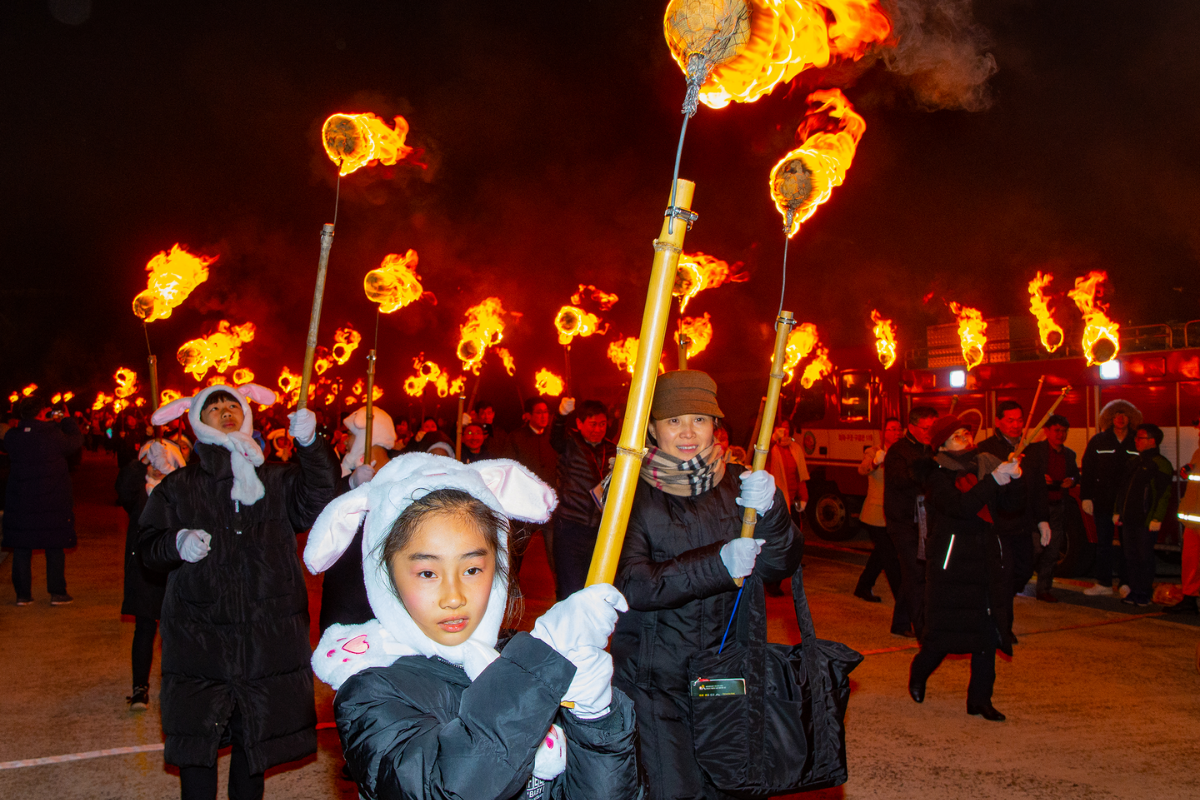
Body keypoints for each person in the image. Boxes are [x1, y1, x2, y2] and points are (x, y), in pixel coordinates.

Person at [304, 453, 640, 800]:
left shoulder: (515, 657)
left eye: (472, 570)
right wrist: (539, 666)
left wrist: (596, 720)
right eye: (428, 573)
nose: (454, 596)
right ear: (386, 576)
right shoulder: (370, 692)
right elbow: (440, 788)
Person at [139, 384, 337, 800]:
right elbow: (147, 548)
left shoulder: (275, 478)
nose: (225, 410)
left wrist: (310, 444)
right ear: (196, 420)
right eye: (214, 406)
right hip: (199, 633)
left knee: (255, 737)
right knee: (197, 739)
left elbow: (319, 496)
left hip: (266, 633)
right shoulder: (178, 485)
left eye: (233, 403)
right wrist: (176, 541)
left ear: (246, 414)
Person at [610, 370, 802, 800]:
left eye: (699, 419)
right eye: (674, 421)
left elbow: (780, 565)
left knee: (728, 788)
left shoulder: (738, 485)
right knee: (673, 790)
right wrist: (717, 564)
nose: (687, 432)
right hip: (654, 680)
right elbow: (633, 585)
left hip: (727, 675)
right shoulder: (629, 493)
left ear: (716, 425)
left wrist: (772, 511)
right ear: (653, 429)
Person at [909, 415, 1022, 722]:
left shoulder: (986, 464)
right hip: (951, 564)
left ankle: (980, 700)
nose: (966, 440)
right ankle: (919, 672)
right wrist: (994, 481)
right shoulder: (937, 474)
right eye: (958, 436)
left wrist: (1012, 479)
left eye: (968, 435)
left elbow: (1007, 508)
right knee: (942, 636)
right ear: (942, 445)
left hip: (984, 559)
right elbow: (962, 507)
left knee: (986, 636)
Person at [116, 438, 186, 709]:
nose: (158, 466)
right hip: (145, 573)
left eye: (164, 459)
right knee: (145, 628)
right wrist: (142, 460)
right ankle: (139, 687)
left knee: (177, 632)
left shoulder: (181, 490)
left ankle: (177, 685)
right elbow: (122, 488)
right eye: (153, 460)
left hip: (175, 571)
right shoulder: (138, 492)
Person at [2, 392, 84, 606]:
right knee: (54, 546)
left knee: (21, 547)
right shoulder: (53, 435)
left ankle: (23, 595)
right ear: (42, 412)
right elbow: (76, 441)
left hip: (20, 501)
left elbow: (19, 435)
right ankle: (57, 592)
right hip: (52, 500)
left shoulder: (12, 436)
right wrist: (65, 419)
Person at [319, 406, 394, 636]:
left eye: (351, 435)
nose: (346, 441)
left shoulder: (399, 475)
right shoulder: (342, 474)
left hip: (383, 594)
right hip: (344, 593)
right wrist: (348, 485)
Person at [977, 401, 1051, 609]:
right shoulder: (986, 449)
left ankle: (998, 603)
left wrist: (1043, 519)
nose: (1016, 425)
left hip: (1023, 524)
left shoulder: (1031, 450)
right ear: (998, 422)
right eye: (1010, 420)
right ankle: (1000, 620)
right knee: (1003, 572)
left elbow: (1038, 488)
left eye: (1019, 420)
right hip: (999, 524)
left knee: (1024, 569)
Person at [550, 397, 616, 600]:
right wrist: (561, 415)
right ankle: (566, 627)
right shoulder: (570, 443)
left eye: (602, 424)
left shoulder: (612, 449)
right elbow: (555, 438)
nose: (598, 429)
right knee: (570, 586)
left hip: (600, 529)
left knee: (595, 584)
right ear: (579, 424)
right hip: (571, 526)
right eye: (593, 424)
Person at [883, 406, 937, 638]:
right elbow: (899, 480)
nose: (929, 432)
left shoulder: (932, 448)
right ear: (912, 427)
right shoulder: (898, 451)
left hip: (925, 520)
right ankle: (922, 627)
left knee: (915, 571)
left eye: (932, 428)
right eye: (926, 428)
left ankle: (901, 622)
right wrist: (923, 469)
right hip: (903, 520)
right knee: (916, 572)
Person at [1081, 400, 1142, 597]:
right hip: (1103, 501)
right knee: (1103, 544)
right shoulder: (1098, 441)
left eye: (1124, 414)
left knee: (1129, 545)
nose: (1120, 418)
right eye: (1116, 414)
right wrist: (1086, 497)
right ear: (1109, 418)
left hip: (1128, 503)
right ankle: (1103, 584)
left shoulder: (1137, 441)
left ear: (1130, 418)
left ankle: (1127, 583)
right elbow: (1088, 469)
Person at [1112, 423, 1173, 607]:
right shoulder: (1134, 462)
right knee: (1130, 556)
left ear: (1152, 441)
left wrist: (1157, 518)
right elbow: (1122, 490)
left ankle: (1143, 593)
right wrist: (1117, 511)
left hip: (1146, 521)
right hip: (1129, 520)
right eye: (1136, 437)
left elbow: (1164, 494)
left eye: (1141, 438)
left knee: (1144, 557)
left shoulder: (1160, 464)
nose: (1136, 441)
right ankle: (1133, 591)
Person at [1022, 415, 1080, 602]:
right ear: (1047, 431)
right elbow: (1022, 473)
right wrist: (1040, 479)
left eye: (1064, 431)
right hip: (1038, 507)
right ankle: (1019, 581)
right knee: (1035, 548)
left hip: (1058, 506)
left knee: (1053, 549)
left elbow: (1075, 475)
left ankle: (1044, 589)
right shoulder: (1035, 451)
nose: (1061, 435)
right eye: (1057, 430)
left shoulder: (1069, 454)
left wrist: (1071, 481)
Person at [507, 397, 559, 577]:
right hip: (525, 507)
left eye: (546, 412)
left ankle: (561, 592)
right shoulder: (516, 437)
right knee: (517, 552)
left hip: (549, 506)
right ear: (528, 415)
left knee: (556, 553)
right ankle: (510, 589)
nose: (544, 416)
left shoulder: (554, 438)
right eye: (539, 412)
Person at [853, 417, 904, 604]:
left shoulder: (901, 452)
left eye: (899, 429)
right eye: (892, 429)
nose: (896, 432)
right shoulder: (874, 451)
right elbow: (863, 469)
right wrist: (875, 461)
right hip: (876, 514)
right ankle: (902, 597)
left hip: (895, 512)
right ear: (884, 432)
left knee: (880, 554)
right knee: (890, 556)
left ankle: (863, 586)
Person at [1167, 421, 1200, 615]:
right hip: (1193, 521)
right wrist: (1188, 470)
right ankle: (1189, 597)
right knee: (1190, 562)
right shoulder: (1198, 452)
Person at [766, 418, 810, 518]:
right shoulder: (772, 448)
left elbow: (800, 475)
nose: (784, 431)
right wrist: (773, 439)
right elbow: (762, 450)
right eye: (781, 428)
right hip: (775, 499)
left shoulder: (796, 448)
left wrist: (803, 496)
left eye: (786, 427)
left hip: (792, 500)